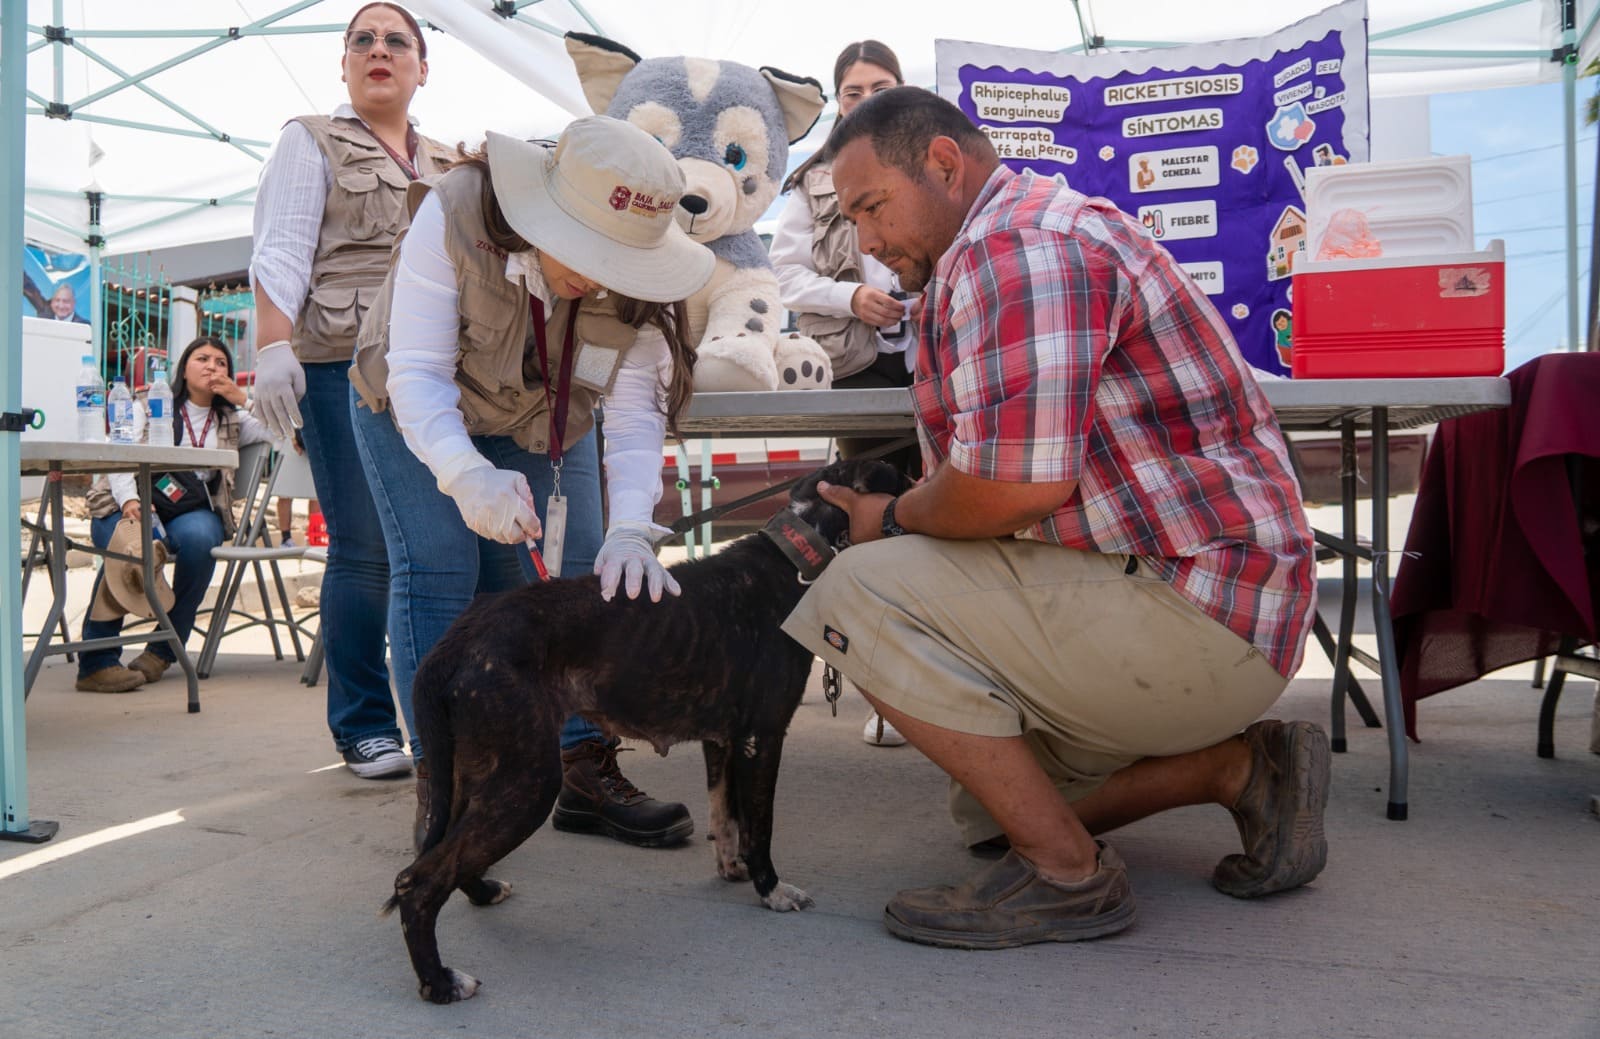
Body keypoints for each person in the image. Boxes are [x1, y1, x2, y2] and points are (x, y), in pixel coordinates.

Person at [782, 88, 1324, 949]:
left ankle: (1069, 877)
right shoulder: (1003, 239)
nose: (869, 245)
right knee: (991, 806)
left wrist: (888, 518)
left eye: (872, 208)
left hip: (1199, 605)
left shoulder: (1018, 246)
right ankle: (1242, 767)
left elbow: (1010, 490)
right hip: (1186, 592)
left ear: (946, 166)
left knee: (855, 592)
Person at [348, 115, 716, 848]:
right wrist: (464, 474)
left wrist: (631, 524)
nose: (594, 273)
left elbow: (635, 416)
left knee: (577, 574)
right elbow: (417, 374)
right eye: (584, 247)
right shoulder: (455, 211)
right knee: (439, 568)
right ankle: (447, 786)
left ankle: (581, 762)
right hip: (412, 406)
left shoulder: (641, 293)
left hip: (544, 420)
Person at [249, 2, 453, 779]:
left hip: (431, 371)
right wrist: (273, 347)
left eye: (396, 40)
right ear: (342, 65)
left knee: (434, 550)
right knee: (365, 548)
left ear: (421, 69)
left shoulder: (443, 160)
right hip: (342, 365)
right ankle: (364, 725)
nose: (378, 49)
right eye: (361, 39)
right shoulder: (311, 139)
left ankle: (442, 716)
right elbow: (280, 251)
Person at [768, 39, 915, 748]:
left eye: (880, 86)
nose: (866, 98)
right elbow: (784, 276)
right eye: (853, 91)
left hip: (934, 367)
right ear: (837, 101)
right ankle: (888, 693)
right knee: (875, 528)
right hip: (858, 370)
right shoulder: (810, 183)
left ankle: (959, 681)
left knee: (953, 525)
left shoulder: (932, 166)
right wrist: (851, 296)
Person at [75, 336, 274, 692]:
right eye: (202, 359)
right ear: (184, 368)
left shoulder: (231, 419)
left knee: (200, 539)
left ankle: (162, 651)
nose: (212, 366)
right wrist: (129, 500)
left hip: (188, 510)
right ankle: (97, 662)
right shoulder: (145, 403)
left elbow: (281, 430)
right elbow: (120, 450)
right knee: (127, 544)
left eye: (221, 362)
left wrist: (240, 397)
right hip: (128, 498)